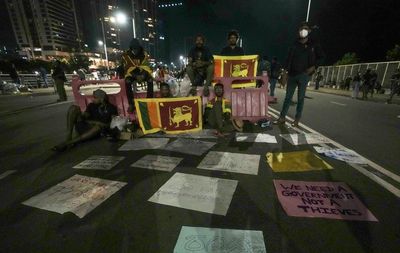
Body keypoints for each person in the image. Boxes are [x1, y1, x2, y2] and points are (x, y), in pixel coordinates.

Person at [274, 21, 325, 127]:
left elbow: (322, 57)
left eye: (305, 28)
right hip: (292, 75)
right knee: (288, 98)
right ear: (298, 31)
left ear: (309, 31)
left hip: (304, 75)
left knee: (300, 98)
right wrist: (284, 73)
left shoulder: (313, 44)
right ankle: (282, 117)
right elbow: (288, 60)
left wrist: (314, 67)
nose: (303, 30)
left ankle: (297, 120)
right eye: (301, 28)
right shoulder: (294, 44)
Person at [52, 89, 118, 152]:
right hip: (86, 125)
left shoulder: (111, 108)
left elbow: (111, 124)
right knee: (73, 108)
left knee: (98, 127)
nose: (93, 99)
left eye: (95, 97)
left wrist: (97, 123)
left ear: (102, 99)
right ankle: (68, 137)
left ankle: (68, 143)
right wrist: (82, 115)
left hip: (95, 130)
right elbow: (85, 117)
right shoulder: (91, 105)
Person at [119, 38, 153, 112]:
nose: (135, 50)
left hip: (143, 73)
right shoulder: (126, 55)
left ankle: (149, 101)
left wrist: (143, 75)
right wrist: (135, 76)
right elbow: (126, 68)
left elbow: (147, 66)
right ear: (131, 48)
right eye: (133, 48)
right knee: (127, 81)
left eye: (136, 48)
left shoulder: (144, 54)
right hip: (132, 74)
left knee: (150, 80)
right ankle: (131, 104)